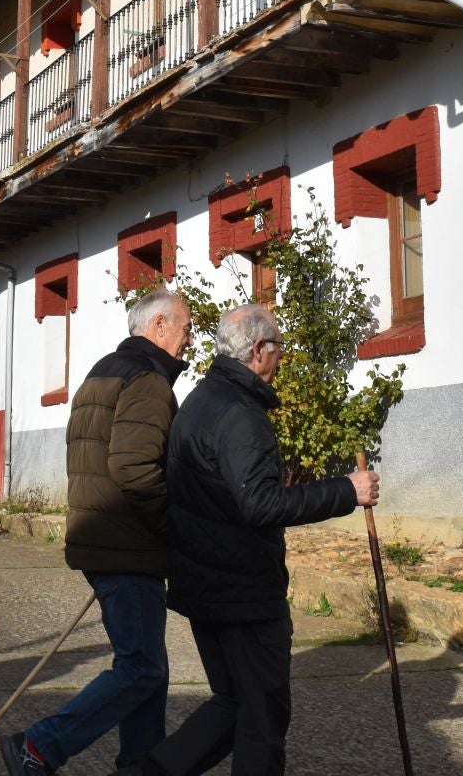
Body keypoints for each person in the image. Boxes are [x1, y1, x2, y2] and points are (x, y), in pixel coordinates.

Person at [128, 303, 379, 776]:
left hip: (206, 587)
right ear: (260, 350)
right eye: (279, 346)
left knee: (233, 707)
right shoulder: (241, 414)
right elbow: (260, 504)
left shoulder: (200, 401)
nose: (281, 356)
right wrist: (346, 490)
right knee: (261, 717)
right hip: (242, 595)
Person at [0, 286, 191, 776]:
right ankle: (39, 747)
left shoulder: (100, 372)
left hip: (103, 539)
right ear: (159, 326)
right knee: (141, 669)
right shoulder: (147, 380)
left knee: (149, 670)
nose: (188, 340)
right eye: (185, 329)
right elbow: (134, 469)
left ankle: (140, 766)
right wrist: (174, 527)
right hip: (128, 546)